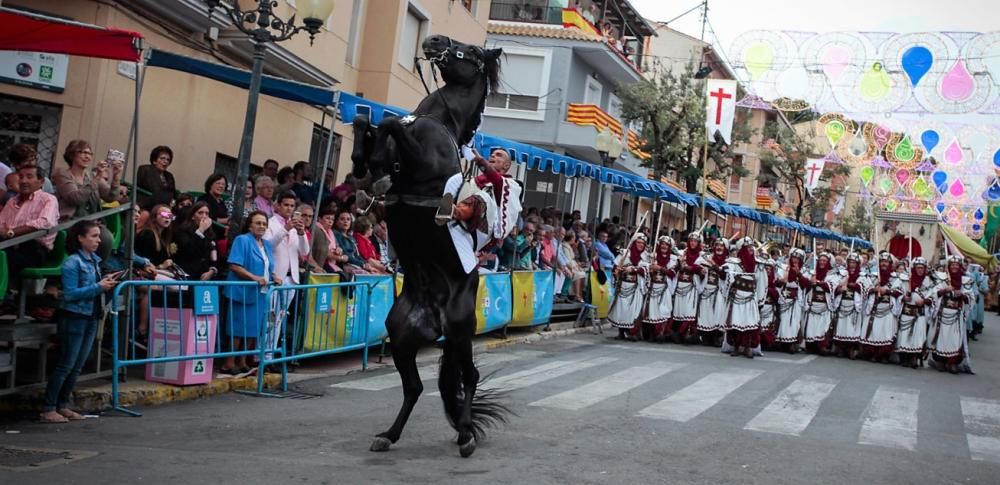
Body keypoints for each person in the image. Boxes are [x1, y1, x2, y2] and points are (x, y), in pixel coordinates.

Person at [40, 220, 117, 423]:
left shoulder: (94, 261)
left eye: (98, 236)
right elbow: (71, 294)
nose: (98, 240)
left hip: (91, 316)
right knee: (66, 364)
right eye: (93, 236)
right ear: (80, 238)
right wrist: (99, 287)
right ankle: (49, 407)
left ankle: (63, 405)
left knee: (77, 365)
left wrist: (105, 284)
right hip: (74, 317)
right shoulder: (73, 262)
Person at [222, 211, 277, 375]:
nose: (262, 226)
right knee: (237, 329)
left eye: (264, 224)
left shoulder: (267, 244)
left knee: (253, 329)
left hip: (260, 292)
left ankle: (243, 361)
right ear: (250, 225)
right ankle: (229, 362)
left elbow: (266, 266)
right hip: (242, 291)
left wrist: (274, 276)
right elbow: (235, 265)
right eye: (258, 223)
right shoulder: (242, 240)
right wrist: (254, 277)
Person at [52, 140, 120, 259]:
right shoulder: (62, 174)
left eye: (89, 153)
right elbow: (76, 198)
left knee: (106, 238)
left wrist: (116, 176)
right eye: (82, 152)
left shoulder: (91, 176)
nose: (87, 156)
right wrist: (97, 177)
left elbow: (111, 197)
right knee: (103, 238)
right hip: (70, 223)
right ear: (71, 155)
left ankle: (96, 270)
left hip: (91, 223)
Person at [264, 192, 310, 355]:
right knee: (270, 318)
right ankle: (262, 355)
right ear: (277, 205)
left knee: (280, 318)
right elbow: (268, 245)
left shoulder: (295, 226)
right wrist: (285, 229)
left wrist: (301, 233)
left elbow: (305, 251)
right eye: (286, 205)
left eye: (292, 205)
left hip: (292, 277)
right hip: (276, 277)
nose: (289, 208)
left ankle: (269, 354)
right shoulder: (270, 223)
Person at [0, 165, 59, 287]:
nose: (23, 181)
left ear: (41, 181)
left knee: (3, 259)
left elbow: (44, 222)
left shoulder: (48, 199)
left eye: (29, 177)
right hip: (8, 244)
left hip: (33, 248)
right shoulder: (12, 201)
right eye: (21, 177)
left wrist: (12, 232)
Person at [928, 256, 974, 374]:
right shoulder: (942, 278)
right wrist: (944, 291)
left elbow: (971, 298)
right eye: (952, 264)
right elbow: (933, 294)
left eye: (956, 265)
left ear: (959, 266)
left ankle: (952, 362)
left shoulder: (965, 280)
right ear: (948, 266)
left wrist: (962, 295)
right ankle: (941, 361)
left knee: (955, 339)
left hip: (956, 315)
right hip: (943, 314)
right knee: (941, 337)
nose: (954, 267)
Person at [723, 237, 767, 358]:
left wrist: (760, 299)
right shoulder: (734, 263)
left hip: (750, 297)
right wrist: (727, 272)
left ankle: (747, 347)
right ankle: (736, 347)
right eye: (747, 248)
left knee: (750, 324)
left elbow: (762, 281)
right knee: (736, 322)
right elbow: (727, 273)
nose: (750, 250)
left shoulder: (758, 264)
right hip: (737, 296)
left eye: (751, 247)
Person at [860, 252, 902, 363]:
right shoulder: (873, 276)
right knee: (873, 331)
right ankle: (872, 353)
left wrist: (887, 291)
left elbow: (900, 292)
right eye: (882, 261)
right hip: (874, 307)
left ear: (890, 264)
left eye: (886, 262)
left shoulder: (895, 278)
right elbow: (865, 289)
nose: (883, 264)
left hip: (887, 309)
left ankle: (884, 355)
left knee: (886, 332)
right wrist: (874, 289)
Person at [608, 234, 648, 341]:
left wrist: (635, 270)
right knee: (621, 309)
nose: (640, 245)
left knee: (634, 311)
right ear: (634, 242)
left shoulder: (646, 256)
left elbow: (646, 270)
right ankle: (621, 332)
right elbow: (616, 266)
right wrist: (617, 270)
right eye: (638, 243)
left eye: (643, 244)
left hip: (635, 287)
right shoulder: (625, 254)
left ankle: (633, 333)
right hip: (623, 286)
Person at [896, 257, 933, 368]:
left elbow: (933, 296)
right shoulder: (906, 278)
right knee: (905, 335)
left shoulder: (929, 281)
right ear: (914, 268)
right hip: (907, 312)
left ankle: (915, 357)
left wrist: (924, 301)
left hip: (919, 313)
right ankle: (904, 357)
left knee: (918, 335)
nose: (920, 270)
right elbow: (896, 290)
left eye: (922, 268)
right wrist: (903, 297)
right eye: (917, 268)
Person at [802, 252, 839, 355]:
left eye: (824, 261)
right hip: (812, 304)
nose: (822, 263)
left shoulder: (832, 275)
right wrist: (810, 282)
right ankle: (810, 345)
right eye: (820, 260)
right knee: (811, 326)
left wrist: (818, 283)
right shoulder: (812, 273)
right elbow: (804, 284)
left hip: (824, 306)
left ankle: (822, 346)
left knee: (823, 327)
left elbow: (832, 287)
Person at [831, 253, 867, 359]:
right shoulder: (842, 274)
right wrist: (839, 288)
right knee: (842, 326)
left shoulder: (862, 275)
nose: (851, 264)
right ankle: (841, 348)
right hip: (842, 303)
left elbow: (866, 288)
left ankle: (852, 349)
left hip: (854, 305)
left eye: (854, 262)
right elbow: (833, 287)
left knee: (852, 328)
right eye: (850, 262)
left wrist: (854, 286)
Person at [172, 202, 219, 281]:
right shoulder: (182, 231)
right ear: (193, 216)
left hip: (205, 275)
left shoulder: (211, 234)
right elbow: (189, 249)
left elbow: (214, 255)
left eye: (207, 214)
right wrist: (200, 231)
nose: (204, 216)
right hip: (187, 275)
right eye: (200, 213)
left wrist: (212, 270)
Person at [671, 232, 703, 344]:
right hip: (681, 285)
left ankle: (681, 333)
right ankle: (681, 334)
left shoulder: (701, 255)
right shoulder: (682, 253)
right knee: (680, 311)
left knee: (690, 311)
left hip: (692, 286)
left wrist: (689, 267)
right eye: (691, 241)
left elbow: (700, 268)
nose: (693, 243)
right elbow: (676, 267)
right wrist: (680, 262)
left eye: (695, 241)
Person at [642, 236, 676, 341]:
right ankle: (651, 333)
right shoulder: (652, 256)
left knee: (663, 311)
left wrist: (660, 268)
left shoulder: (673, 259)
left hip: (664, 288)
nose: (664, 246)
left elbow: (672, 273)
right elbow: (643, 268)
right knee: (652, 311)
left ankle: (661, 332)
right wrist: (649, 269)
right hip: (652, 287)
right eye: (662, 244)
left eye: (666, 244)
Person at [697, 237, 730, 346]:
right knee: (706, 313)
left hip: (719, 292)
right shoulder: (706, 258)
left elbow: (724, 275)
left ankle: (716, 336)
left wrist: (713, 263)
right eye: (717, 245)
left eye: (721, 245)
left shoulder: (728, 262)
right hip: (707, 290)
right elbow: (698, 272)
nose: (719, 248)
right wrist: (701, 272)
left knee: (718, 313)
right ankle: (706, 336)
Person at [775, 248, 808, 353]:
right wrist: (781, 280)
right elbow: (777, 282)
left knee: (794, 321)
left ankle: (793, 343)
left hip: (796, 299)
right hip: (785, 297)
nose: (795, 260)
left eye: (798, 259)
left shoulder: (804, 271)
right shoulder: (784, 268)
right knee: (783, 320)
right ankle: (782, 342)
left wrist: (799, 274)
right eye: (794, 258)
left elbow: (806, 285)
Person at [136, 146, 178, 210]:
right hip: (148, 203)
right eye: (162, 158)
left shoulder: (169, 176)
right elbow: (151, 188)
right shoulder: (145, 169)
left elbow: (173, 193)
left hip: (166, 206)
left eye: (168, 159)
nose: (165, 161)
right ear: (154, 160)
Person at [311, 206, 345, 273]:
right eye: (327, 218)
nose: (330, 221)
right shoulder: (317, 230)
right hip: (320, 264)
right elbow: (323, 251)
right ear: (319, 219)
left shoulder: (331, 232)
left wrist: (338, 250)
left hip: (331, 263)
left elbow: (337, 246)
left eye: (332, 219)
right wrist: (340, 258)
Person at [333, 209, 370, 274]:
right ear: (336, 222)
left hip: (356, 265)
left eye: (348, 219)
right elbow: (345, 254)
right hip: (345, 266)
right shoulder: (335, 235)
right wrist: (362, 264)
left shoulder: (351, 237)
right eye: (342, 219)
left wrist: (365, 263)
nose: (345, 221)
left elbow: (356, 255)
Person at [759, 257, 780, 351]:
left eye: (769, 269)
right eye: (766, 269)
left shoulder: (775, 283)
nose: (767, 271)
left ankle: (767, 343)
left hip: (769, 309)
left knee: (768, 327)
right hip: (759, 309)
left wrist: (771, 290)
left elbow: (777, 296)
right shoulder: (759, 282)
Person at [560, 231, 586, 302]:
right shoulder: (565, 246)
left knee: (583, 273)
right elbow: (567, 259)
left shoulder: (568, 246)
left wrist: (577, 266)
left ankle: (579, 294)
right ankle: (576, 295)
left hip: (572, 264)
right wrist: (573, 267)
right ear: (572, 238)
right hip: (567, 265)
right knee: (578, 274)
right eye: (574, 238)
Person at [966, 264, 988, 340]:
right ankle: (969, 333)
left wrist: (979, 290)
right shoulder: (968, 276)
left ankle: (974, 331)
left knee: (977, 315)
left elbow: (985, 290)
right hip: (969, 299)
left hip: (978, 299)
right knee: (970, 316)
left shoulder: (984, 278)